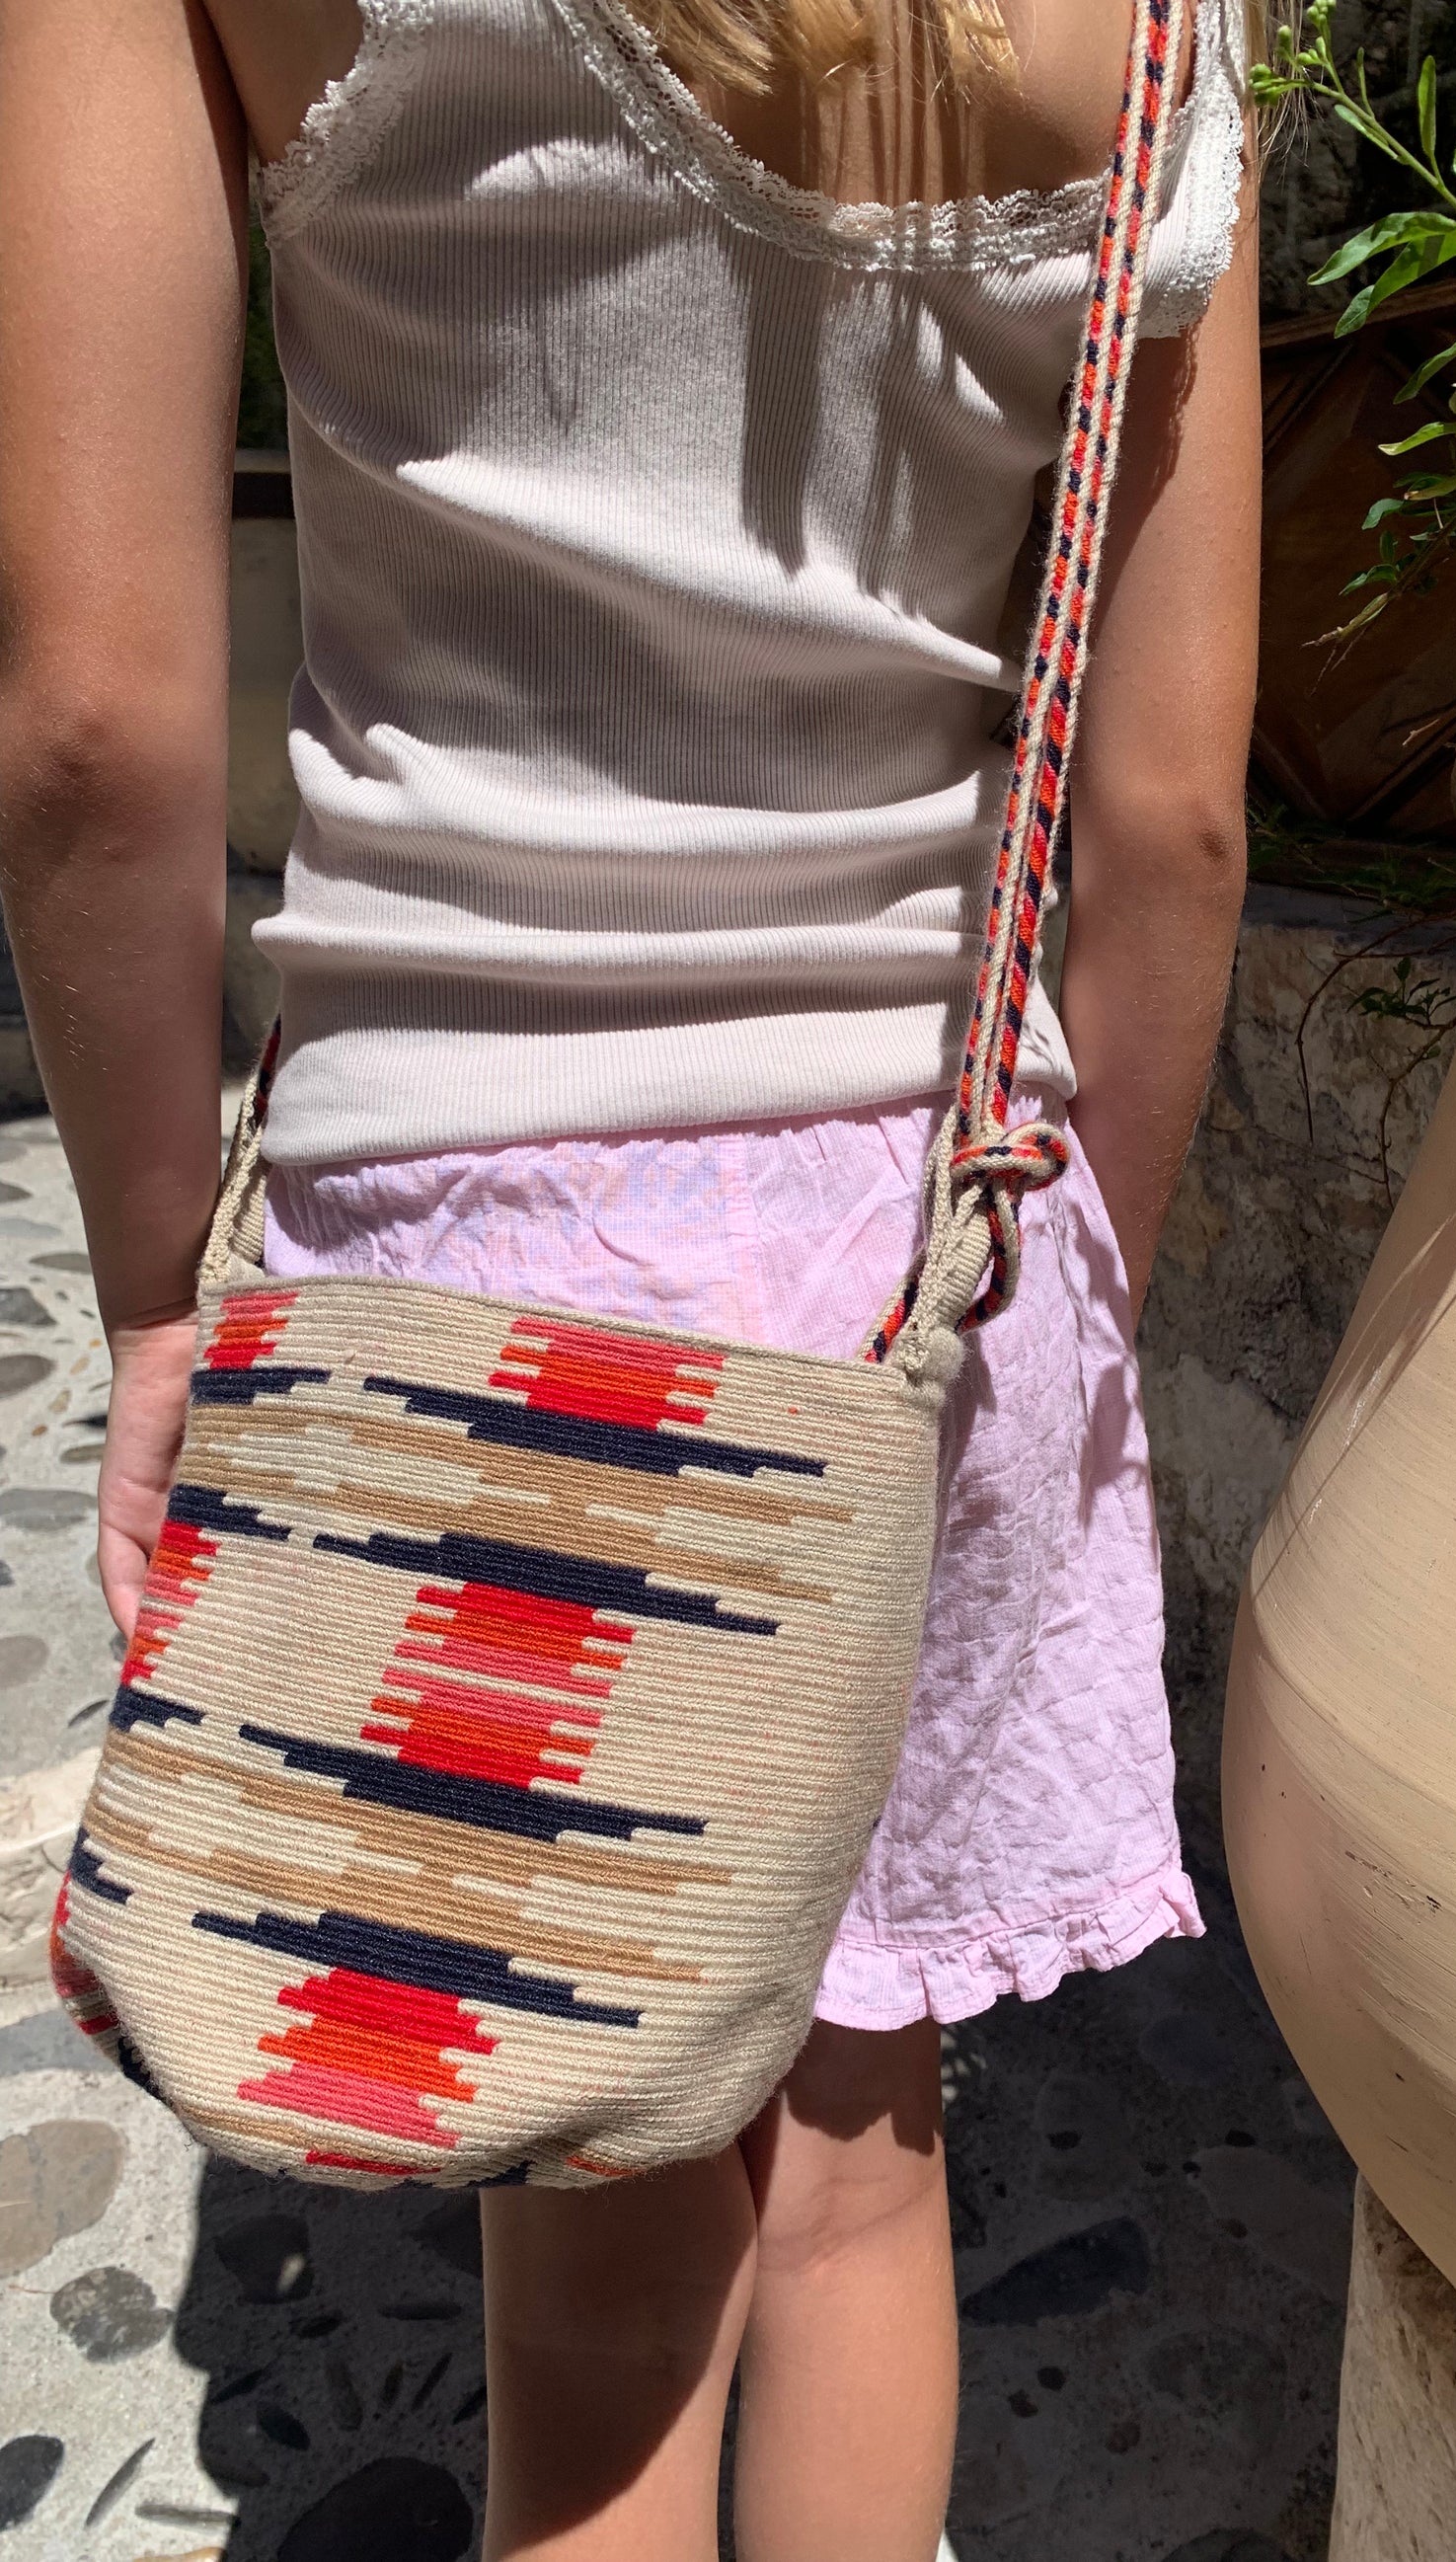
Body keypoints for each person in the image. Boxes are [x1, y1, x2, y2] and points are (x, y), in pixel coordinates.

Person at [0, 0, 1263, 2551]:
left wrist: (152, 1297)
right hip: (926, 1257)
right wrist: (1053, 1306)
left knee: (595, 2269)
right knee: (859, 2181)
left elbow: (96, 736)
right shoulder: (1159, 29)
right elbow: (1170, 819)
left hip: (477, 1274)